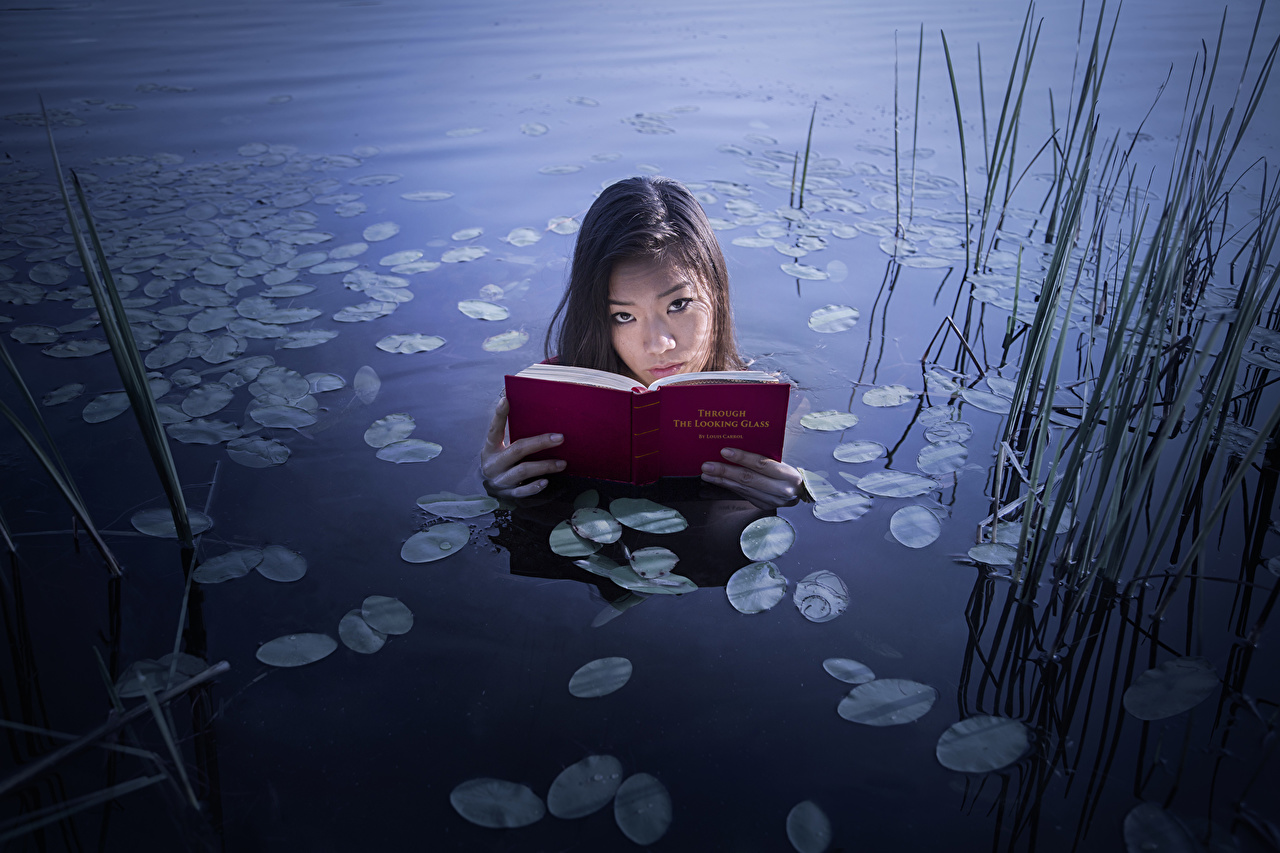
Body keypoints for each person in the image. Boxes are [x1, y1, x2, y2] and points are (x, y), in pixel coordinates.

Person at [480, 176, 804, 508]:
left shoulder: (776, 406)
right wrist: (496, 484)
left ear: (717, 293)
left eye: (678, 305)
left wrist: (793, 494)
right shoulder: (542, 400)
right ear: (595, 318)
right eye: (623, 316)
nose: (658, 344)